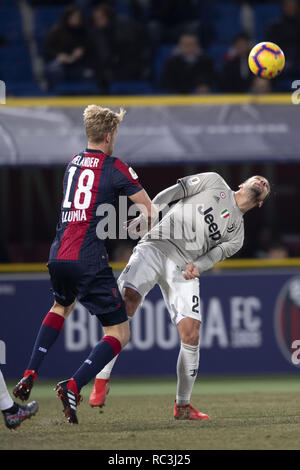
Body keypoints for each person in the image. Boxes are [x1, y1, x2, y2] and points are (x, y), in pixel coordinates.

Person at [13, 105, 156, 424]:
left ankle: (29, 373)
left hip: (58, 253)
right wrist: (137, 229)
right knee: (119, 332)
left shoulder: (72, 164)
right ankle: (73, 386)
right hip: (88, 257)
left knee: (60, 306)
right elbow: (149, 210)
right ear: (109, 135)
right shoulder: (116, 166)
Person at [89, 173, 271, 420]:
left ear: (261, 202)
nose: (261, 182)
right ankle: (101, 379)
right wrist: (148, 214)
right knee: (125, 303)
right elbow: (173, 192)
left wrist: (199, 266)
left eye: (266, 185)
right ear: (242, 183)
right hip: (155, 244)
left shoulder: (237, 236)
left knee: (191, 333)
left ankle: (183, 405)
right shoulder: (214, 182)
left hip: (183, 266)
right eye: (258, 178)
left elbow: (213, 256)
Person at [43, 6, 89, 88]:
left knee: (87, 72)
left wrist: (81, 52)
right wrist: (58, 56)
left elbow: (89, 48)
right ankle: (56, 93)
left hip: (77, 63)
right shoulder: (57, 31)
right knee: (54, 69)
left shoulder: (83, 32)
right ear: (67, 17)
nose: (76, 19)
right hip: (59, 63)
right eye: (74, 17)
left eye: (78, 17)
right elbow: (46, 50)